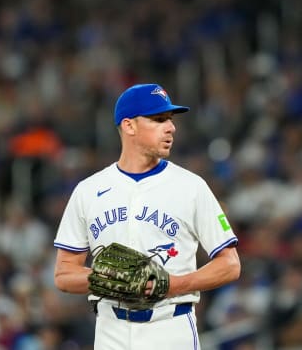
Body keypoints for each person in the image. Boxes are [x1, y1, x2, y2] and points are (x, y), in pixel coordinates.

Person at [53, 83, 241, 349]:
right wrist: (110, 280)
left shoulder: (191, 186)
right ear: (129, 126)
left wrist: (171, 285)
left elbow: (230, 265)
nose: (171, 127)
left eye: (170, 120)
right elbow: (63, 275)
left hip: (169, 327)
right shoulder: (88, 191)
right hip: (110, 331)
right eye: (158, 119)